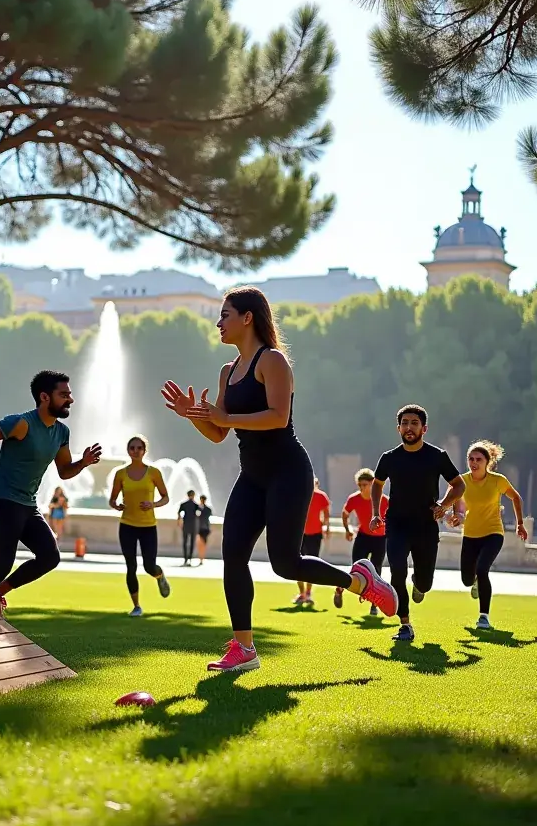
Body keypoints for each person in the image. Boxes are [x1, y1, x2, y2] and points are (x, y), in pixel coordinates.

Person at [162, 287, 397, 673]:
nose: (219, 322)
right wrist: (195, 415)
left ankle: (360, 582)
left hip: (288, 472)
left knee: (285, 564)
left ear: (248, 317)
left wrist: (223, 419)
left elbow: (276, 416)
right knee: (233, 553)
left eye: (225, 315)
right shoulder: (228, 371)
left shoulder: (272, 361)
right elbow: (219, 433)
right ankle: (245, 648)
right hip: (252, 476)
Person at [0, 370, 101, 616]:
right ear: (44, 397)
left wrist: (82, 463)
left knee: (50, 556)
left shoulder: (62, 432)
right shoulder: (21, 423)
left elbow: (64, 471)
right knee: (2, 565)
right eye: (63, 395)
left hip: (27, 505)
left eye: (70, 395)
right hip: (2, 500)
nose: (70, 400)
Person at [369, 404, 466, 642]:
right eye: (404, 423)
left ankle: (419, 584)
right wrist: (375, 512)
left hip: (425, 525)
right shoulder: (389, 458)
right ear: (398, 428)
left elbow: (459, 484)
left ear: (424, 428)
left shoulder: (437, 456)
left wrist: (443, 505)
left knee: (425, 582)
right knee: (397, 571)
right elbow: (377, 484)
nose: (409, 427)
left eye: (414, 423)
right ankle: (405, 625)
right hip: (397, 524)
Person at [447, 441, 527, 629]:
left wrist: (520, 524)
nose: (474, 463)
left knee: (482, 569)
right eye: (471, 459)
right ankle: (475, 582)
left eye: (478, 459)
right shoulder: (462, 481)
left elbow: (516, 497)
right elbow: (457, 506)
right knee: (467, 580)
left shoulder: (498, 480)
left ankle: (484, 617)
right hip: (470, 535)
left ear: (487, 462)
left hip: (493, 533)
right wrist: (456, 517)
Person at [109, 435, 172, 616]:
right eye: (132, 448)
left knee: (149, 566)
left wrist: (153, 504)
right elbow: (112, 500)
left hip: (148, 526)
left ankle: (159, 576)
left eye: (139, 448)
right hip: (127, 525)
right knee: (131, 566)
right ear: (128, 451)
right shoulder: (120, 473)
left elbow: (165, 497)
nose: (135, 451)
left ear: (145, 451)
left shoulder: (153, 472)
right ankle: (136, 606)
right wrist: (117, 505)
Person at [333, 468, 389, 615]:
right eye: (360, 485)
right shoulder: (354, 498)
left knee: (376, 572)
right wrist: (347, 529)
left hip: (380, 540)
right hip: (363, 537)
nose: (362, 488)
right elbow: (345, 514)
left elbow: (394, 518)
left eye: (365, 484)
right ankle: (340, 589)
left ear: (372, 484)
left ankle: (374, 604)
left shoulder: (384, 500)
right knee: (356, 570)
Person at [295, 476, 331, 605]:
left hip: (315, 533)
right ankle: (302, 593)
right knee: (296, 563)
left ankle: (308, 593)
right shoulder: (299, 495)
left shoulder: (321, 496)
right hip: (299, 533)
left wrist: (326, 526)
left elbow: (326, 513)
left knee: (312, 563)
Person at [178, 490, 200, 566]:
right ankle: (189, 558)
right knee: (192, 543)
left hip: (186, 524)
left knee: (185, 542)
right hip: (193, 525)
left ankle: (186, 558)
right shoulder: (196, 505)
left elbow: (179, 513)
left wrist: (179, 521)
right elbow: (199, 514)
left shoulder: (184, 504)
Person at [197, 495, 214, 564]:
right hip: (204, 528)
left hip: (202, 528)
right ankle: (201, 557)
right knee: (202, 544)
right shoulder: (207, 509)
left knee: (202, 544)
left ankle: (201, 557)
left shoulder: (199, 508)